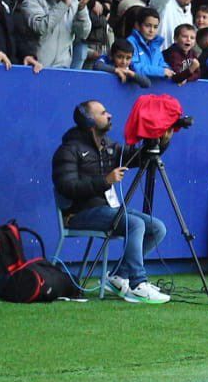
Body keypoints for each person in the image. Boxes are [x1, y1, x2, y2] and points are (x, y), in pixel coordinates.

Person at [52, 101, 170, 304]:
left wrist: (160, 141)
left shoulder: (109, 146)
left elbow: (137, 158)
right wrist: (105, 181)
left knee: (157, 228)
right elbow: (67, 187)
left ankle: (118, 276)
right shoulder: (68, 150)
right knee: (135, 224)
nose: (110, 115)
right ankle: (138, 283)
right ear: (89, 120)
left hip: (107, 211)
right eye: (103, 113)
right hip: (79, 214)